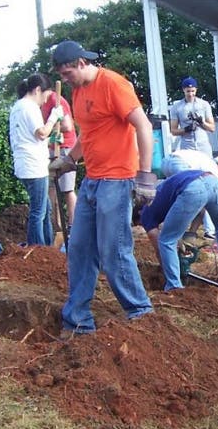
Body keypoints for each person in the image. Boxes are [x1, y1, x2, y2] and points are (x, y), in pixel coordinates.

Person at [48, 40, 156, 330]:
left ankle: (140, 314)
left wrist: (145, 176)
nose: (65, 79)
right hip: (93, 180)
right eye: (62, 75)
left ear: (82, 63)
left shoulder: (113, 85)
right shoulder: (79, 89)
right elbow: (89, 132)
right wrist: (70, 159)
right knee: (80, 247)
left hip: (117, 179)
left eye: (68, 73)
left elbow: (143, 126)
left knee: (114, 250)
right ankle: (79, 320)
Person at [139, 159, 218, 291]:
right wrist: (191, 232)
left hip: (193, 188)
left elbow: (158, 243)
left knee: (166, 241)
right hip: (214, 183)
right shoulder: (159, 193)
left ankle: (174, 285)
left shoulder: (145, 213)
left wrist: (165, 267)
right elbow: (200, 207)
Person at [9, 74, 61, 246]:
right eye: (45, 96)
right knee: (38, 212)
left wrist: (52, 140)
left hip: (25, 164)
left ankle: (47, 246)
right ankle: (37, 249)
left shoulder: (17, 107)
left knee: (46, 208)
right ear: (38, 90)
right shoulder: (29, 107)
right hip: (34, 166)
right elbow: (42, 133)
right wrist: (54, 117)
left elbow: (35, 136)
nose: (45, 101)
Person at [43, 81, 77, 234]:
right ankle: (54, 225)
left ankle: (73, 225)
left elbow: (68, 126)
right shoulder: (43, 103)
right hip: (51, 149)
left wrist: (50, 129)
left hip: (64, 148)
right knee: (52, 189)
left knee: (67, 189)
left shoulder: (57, 101)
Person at [168, 77, 214, 155]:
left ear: (196, 90)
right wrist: (186, 129)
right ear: (183, 90)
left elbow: (212, 128)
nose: (190, 94)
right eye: (188, 91)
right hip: (187, 146)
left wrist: (202, 122)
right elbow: (173, 131)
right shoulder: (176, 107)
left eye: (193, 91)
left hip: (203, 145)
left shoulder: (204, 104)